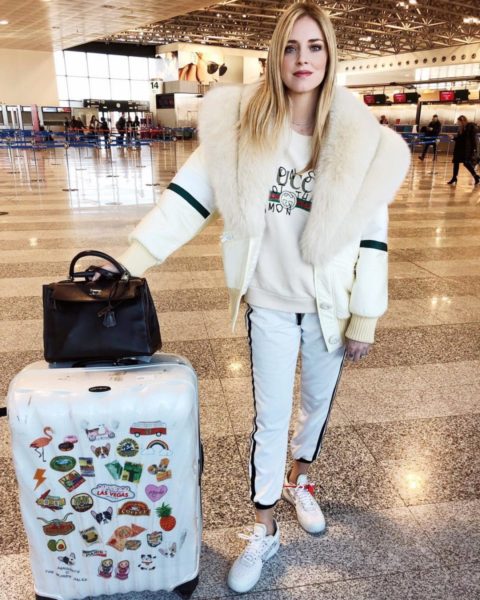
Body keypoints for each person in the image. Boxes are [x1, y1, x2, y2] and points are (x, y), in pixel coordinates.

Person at [98, 2, 410, 593]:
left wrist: (365, 316)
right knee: (270, 418)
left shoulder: (359, 138)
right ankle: (264, 526)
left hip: (330, 308)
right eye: (291, 46)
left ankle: (301, 481)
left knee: (315, 406)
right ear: (274, 54)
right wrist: (128, 263)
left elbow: (374, 236)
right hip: (268, 302)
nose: (302, 59)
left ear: (330, 55)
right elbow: (187, 198)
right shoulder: (243, 126)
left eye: (314, 47)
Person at [447, 115, 480, 185]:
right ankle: (454, 178)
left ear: (462, 121)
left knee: (466, 163)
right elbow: (460, 138)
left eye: (459, 122)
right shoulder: (461, 128)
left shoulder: (469, 128)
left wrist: (474, 149)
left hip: (465, 149)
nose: (458, 123)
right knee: (456, 162)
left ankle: (475, 176)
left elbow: (472, 139)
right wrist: (453, 138)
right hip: (459, 148)